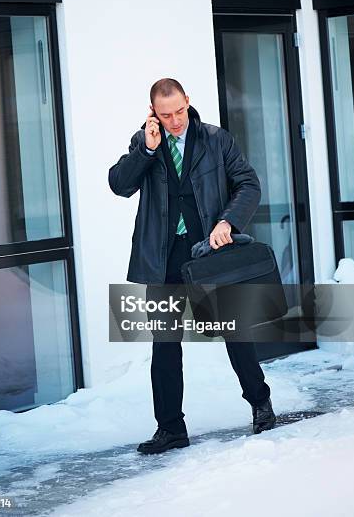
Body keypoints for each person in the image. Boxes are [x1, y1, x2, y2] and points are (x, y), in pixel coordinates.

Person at [108, 78, 276, 454]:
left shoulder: (216, 140)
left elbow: (248, 184)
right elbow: (119, 184)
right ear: (153, 113)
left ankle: (260, 404)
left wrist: (228, 222)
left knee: (235, 332)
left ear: (188, 102)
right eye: (165, 115)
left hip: (210, 253)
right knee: (165, 344)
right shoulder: (145, 143)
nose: (175, 121)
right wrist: (147, 151)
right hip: (163, 258)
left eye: (179, 111)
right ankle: (170, 429)